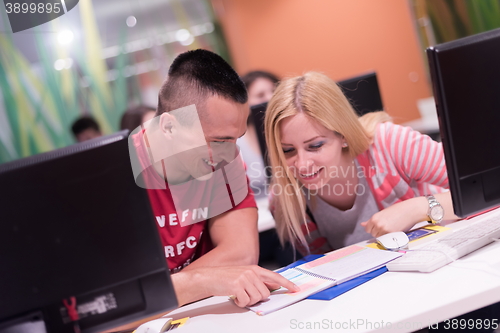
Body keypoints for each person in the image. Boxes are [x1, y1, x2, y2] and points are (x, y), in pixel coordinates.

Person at [131, 50, 298, 310]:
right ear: (169, 128)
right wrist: (198, 282)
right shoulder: (112, 175)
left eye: (236, 138)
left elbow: (241, 254)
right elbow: (117, 305)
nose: (231, 154)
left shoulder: (225, 159)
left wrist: (162, 291)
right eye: (219, 141)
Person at [264, 71, 458, 254]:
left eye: (315, 145)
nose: (302, 164)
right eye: (287, 150)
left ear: (343, 135)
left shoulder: (389, 143)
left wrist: (417, 209)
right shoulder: (285, 199)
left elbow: (482, 188)